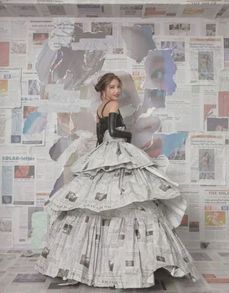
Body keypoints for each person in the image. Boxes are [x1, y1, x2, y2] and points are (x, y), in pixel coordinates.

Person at [35, 72, 200, 288]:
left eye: (118, 87)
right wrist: (128, 136)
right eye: (112, 87)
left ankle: (91, 265)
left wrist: (95, 162)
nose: (117, 91)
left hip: (104, 152)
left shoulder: (100, 108)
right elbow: (113, 131)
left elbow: (101, 134)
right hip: (115, 151)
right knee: (128, 200)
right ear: (103, 90)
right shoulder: (112, 106)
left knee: (97, 206)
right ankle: (125, 267)